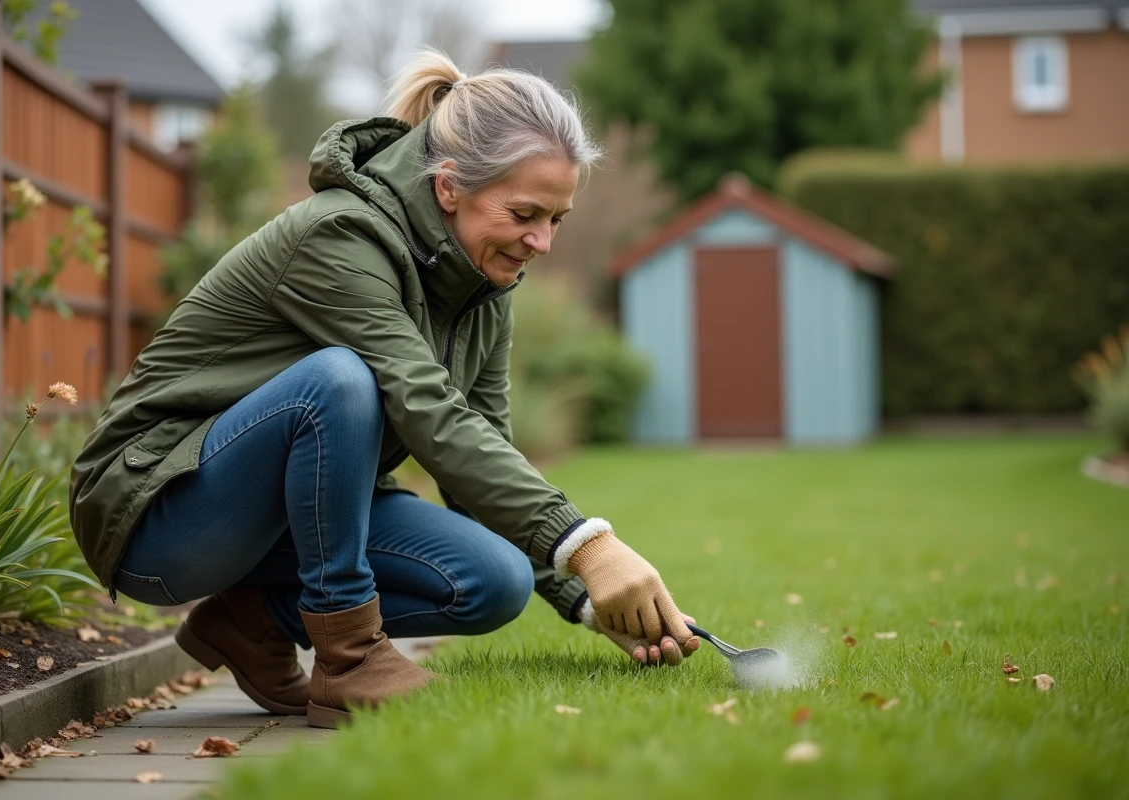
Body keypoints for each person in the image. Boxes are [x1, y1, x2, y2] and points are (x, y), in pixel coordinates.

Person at [69, 49, 697, 730]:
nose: (541, 242)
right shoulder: (339, 235)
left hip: (271, 518)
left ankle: (251, 622)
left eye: (556, 219)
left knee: (496, 581)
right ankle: (349, 656)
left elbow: (478, 444)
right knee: (335, 380)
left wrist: (584, 598)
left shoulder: (485, 284)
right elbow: (424, 404)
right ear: (451, 186)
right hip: (156, 514)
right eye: (525, 213)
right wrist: (592, 548)